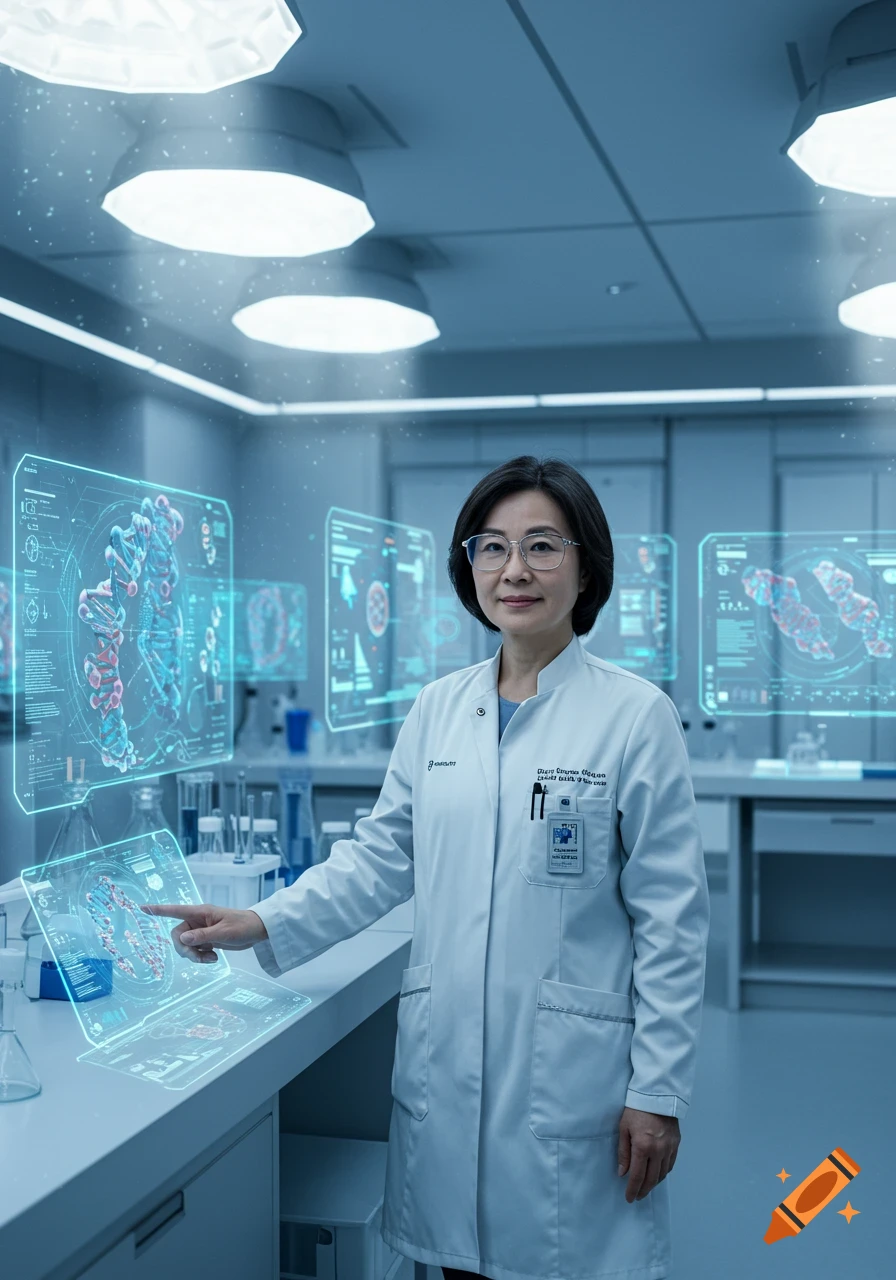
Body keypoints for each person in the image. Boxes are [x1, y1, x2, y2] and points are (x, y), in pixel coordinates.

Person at [144, 455, 710, 1280]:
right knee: (457, 1268)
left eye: (543, 546)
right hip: (447, 1074)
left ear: (586, 565)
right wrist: (265, 921)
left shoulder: (633, 717)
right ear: (467, 564)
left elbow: (672, 920)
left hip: (572, 1082)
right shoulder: (440, 709)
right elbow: (381, 855)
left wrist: (658, 1093)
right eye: (491, 547)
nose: (514, 570)